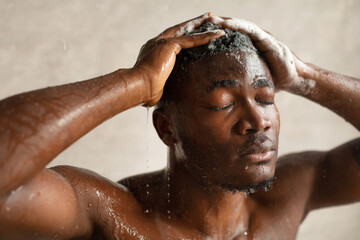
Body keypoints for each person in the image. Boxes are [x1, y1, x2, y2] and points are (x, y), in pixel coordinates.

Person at [0, 12, 359, 239]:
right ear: (166, 128)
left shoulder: (287, 198)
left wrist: (303, 75)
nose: (257, 121)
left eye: (266, 99)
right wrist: (136, 82)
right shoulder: (108, 215)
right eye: (224, 104)